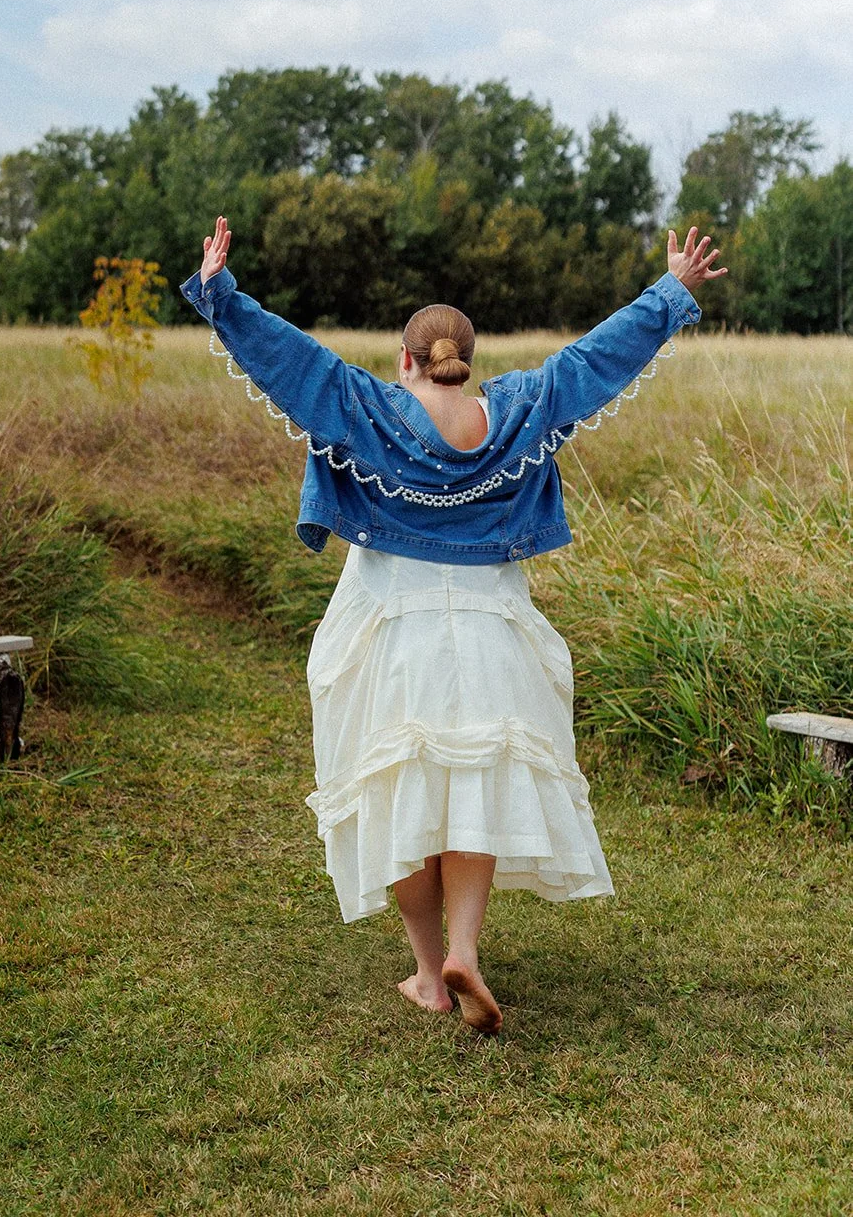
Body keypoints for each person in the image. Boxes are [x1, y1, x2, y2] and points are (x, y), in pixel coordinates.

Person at [182, 218, 726, 1035]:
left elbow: (291, 359)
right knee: (472, 780)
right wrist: (670, 292)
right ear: (467, 358)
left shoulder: (368, 404)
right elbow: (590, 363)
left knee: (400, 783)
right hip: (490, 620)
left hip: (389, 619)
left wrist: (221, 293)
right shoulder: (515, 409)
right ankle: (464, 949)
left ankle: (426, 973)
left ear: (407, 361)